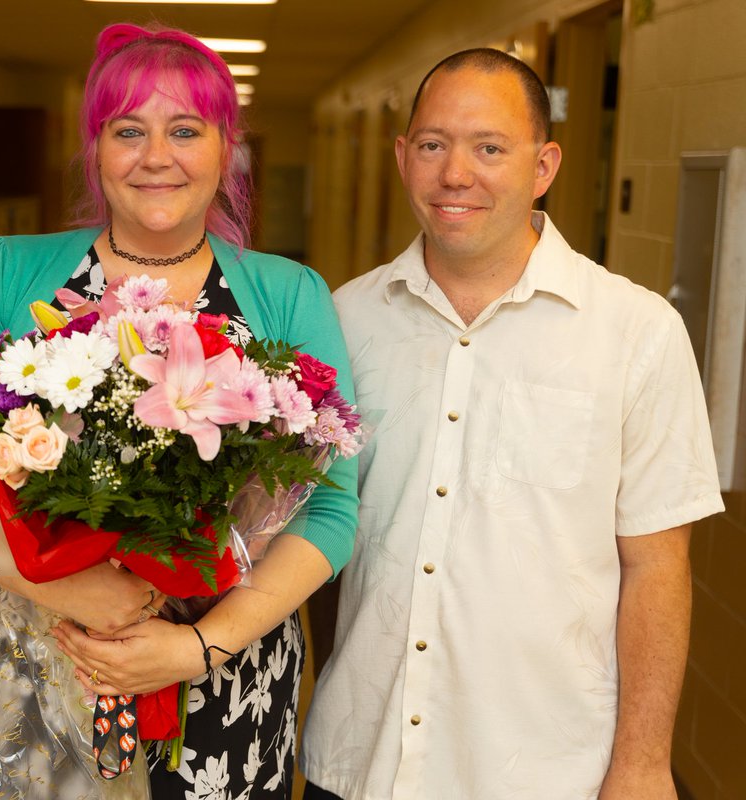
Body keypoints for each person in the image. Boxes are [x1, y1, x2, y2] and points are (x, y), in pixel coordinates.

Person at [0, 23, 359, 798]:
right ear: (94, 148)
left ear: (226, 148)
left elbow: (328, 511)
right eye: (129, 130)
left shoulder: (288, 294)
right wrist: (71, 593)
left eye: (185, 130)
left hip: (223, 681)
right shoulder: (4, 272)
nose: (156, 156)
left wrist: (198, 647)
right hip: (33, 664)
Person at [300, 48, 724, 800]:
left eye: (489, 148)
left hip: (547, 771)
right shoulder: (345, 319)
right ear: (403, 158)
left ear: (545, 165)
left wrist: (643, 763)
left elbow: (656, 568)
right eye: (432, 145)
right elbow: (315, 529)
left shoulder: (636, 332)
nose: (455, 174)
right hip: (362, 758)